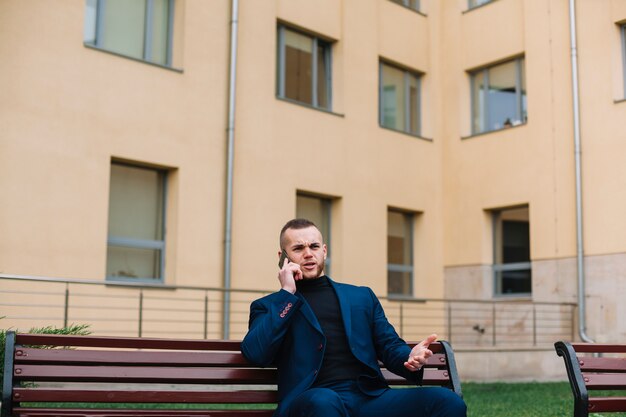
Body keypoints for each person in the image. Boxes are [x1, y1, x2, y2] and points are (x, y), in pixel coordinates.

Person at [241, 218, 467, 417]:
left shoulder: (361, 297)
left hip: (369, 397)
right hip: (311, 401)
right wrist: (287, 295)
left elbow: (388, 345)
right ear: (283, 257)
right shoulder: (270, 306)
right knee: (324, 401)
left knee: (446, 401)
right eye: (298, 248)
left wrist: (410, 358)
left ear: (324, 251)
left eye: (314, 246)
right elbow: (256, 354)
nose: (308, 253)